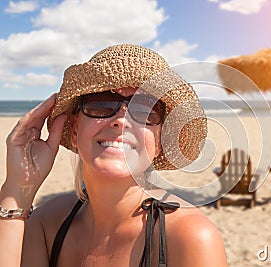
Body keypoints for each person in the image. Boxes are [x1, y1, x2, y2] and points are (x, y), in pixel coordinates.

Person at [0, 44, 228, 267]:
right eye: (101, 103)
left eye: (145, 110)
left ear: (160, 141)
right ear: (75, 130)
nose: (121, 121)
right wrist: (17, 190)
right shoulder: (46, 223)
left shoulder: (189, 237)